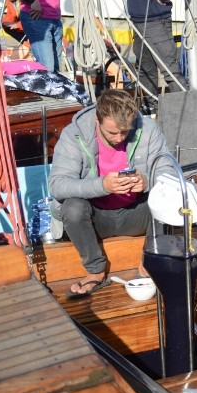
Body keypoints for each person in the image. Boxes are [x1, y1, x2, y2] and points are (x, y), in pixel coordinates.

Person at [48, 89, 172, 299]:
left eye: (125, 132)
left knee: (165, 196)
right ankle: (95, 271)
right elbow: (57, 185)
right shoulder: (74, 134)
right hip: (95, 219)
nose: (119, 138)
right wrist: (103, 186)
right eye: (112, 132)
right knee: (72, 207)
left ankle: (149, 265)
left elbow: (169, 174)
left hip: (136, 214)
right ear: (97, 119)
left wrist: (146, 182)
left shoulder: (148, 129)